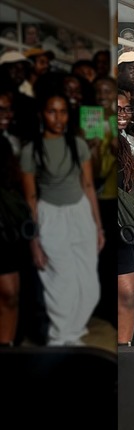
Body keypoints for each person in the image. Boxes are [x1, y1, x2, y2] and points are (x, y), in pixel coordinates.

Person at [20, 92, 104, 346]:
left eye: (63, 112)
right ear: (41, 115)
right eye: (52, 111)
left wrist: (98, 227)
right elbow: (30, 198)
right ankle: (61, 338)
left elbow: (88, 186)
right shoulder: (30, 150)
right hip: (49, 216)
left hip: (80, 213)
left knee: (90, 285)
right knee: (60, 281)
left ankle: (72, 332)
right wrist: (34, 241)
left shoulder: (77, 144)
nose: (58, 118)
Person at [0, 88, 25, 347]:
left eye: (8, 109)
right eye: (1, 110)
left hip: (5, 227)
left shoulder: (8, 143)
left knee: (9, 292)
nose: (6, 115)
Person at [116, 91, 134, 346]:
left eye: (126, 109)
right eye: (115, 109)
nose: (122, 114)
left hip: (121, 229)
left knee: (127, 293)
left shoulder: (126, 143)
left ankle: (124, 354)